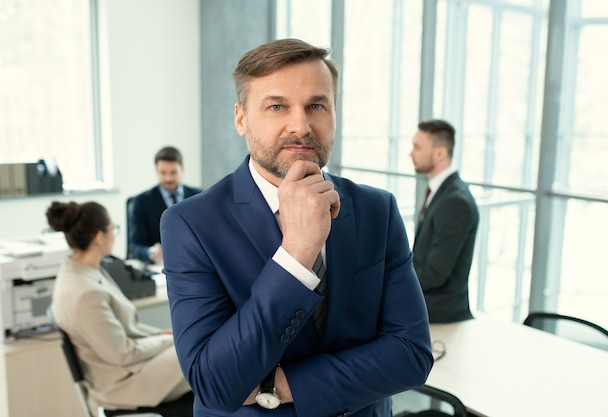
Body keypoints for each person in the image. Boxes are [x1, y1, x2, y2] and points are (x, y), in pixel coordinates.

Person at [160, 38, 433, 417]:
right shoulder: (190, 224)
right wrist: (297, 253)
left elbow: (412, 354)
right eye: (277, 106)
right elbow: (216, 385)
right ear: (241, 118)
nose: (301, 126)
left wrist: (275, 384)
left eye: (316, 106)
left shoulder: (377, 209)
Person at [46, 201, 193, 416]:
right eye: (113, 228)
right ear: (100, 237)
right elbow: (123, 353)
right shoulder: (86, 294)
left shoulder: (83, 271)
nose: (115, 234)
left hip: (125, 367)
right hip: (122, 382)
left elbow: (124, 329)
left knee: (200, 348)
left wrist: (160, 334)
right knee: (203, 355)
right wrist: (171, 340)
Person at [410, 119, 479, 323]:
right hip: (430, 310)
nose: (411, 153)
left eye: (417, 147)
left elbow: (434, 274)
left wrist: (390, 283)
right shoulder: (443, 192)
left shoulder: (455, 202)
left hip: (440, 316)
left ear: (440, 153)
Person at [128, 146, 202, 263]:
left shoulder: (199, 196)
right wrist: (151, 252)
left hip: (193, 262)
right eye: (163, 172)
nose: (168, 178)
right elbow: (135, 247)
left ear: (182, 169)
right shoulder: (141, 202)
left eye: (173, 172)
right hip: (158, 266)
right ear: (156, 171)